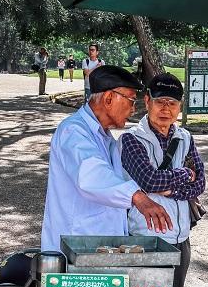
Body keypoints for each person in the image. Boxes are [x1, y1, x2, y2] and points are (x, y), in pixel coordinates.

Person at [40, 65, 172, 251]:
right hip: (75, 247)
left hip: (97, 248)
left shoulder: (105, 136)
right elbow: (92, 174)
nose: (133, 110)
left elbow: (115, 181)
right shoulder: (74, 131)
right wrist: (138, 198)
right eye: (131, 101)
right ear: (109, 98)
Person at [119, 73, 206, 287]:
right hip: (146, 239)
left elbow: (200, 184)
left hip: (181, 238)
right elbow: (149, 180)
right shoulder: (132, 139)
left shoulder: (185, 137)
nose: (166, 109)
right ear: (147, 101)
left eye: (172, 103)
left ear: (180, 106)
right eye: (160, 101)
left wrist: (169, 189)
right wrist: (186, 173)